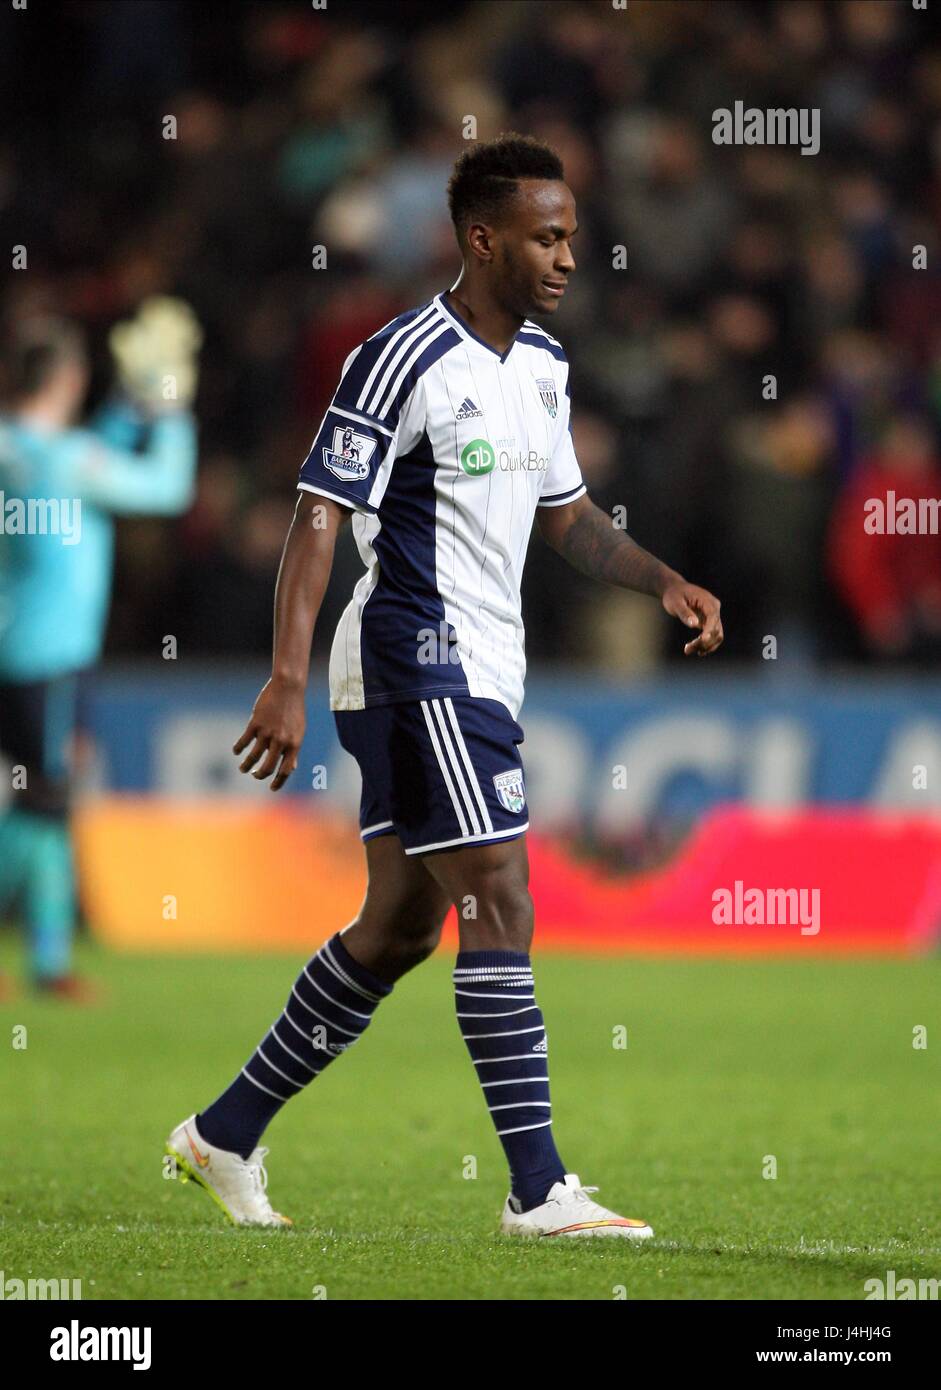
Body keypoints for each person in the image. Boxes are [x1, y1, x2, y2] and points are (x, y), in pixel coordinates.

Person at [167, 134, 722, 1237]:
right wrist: (283, 675)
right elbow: (318, 512)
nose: (567, 254)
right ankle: (538, 1188)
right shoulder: (401, 355)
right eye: (546, 236)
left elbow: (562, 518)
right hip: (414, 657)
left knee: (399, 926)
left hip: (483, 666)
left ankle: (221, 1133)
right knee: (500, 895)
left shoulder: (546, 367)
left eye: (570, 233)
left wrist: (659, 578)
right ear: (482, 239)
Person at [0, 303, 199, 997]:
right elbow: (165, 489)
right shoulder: (68, 461)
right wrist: (172, 406)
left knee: (47, 795)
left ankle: (49, 963)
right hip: (51, 654)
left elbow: (94, 447)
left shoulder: (17, 452)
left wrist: (130, 403)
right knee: (46, 798)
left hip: (13, 644)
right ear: (66, 376)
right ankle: (43, 956)